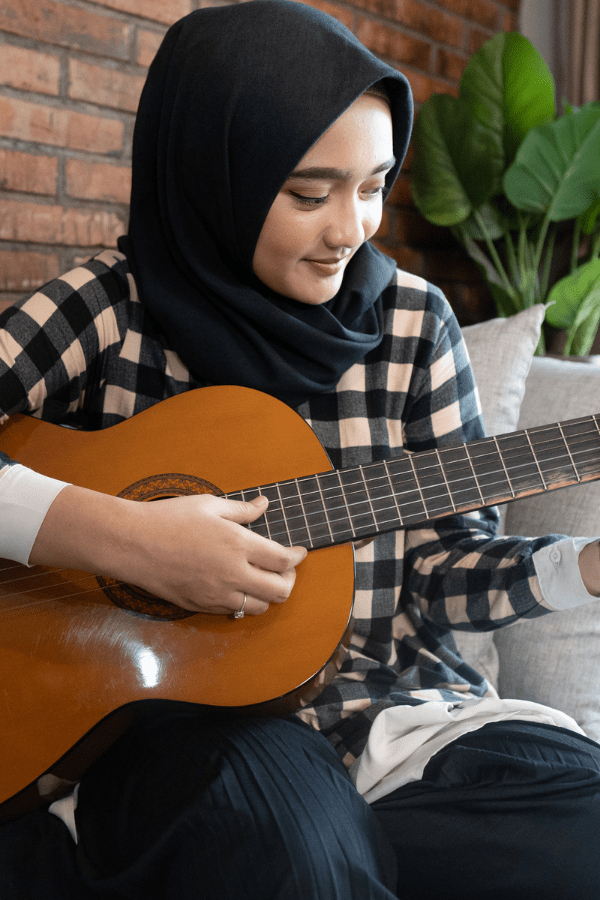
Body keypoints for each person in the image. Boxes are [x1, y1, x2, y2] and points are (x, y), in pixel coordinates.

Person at [0, 2, 600, 897]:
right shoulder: (111, 306)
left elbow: (443, 567)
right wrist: (127, 542)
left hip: (402, 719)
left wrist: (582, 568)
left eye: (373, 185)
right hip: (197, 724)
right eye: (309, 194)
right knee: (297, 851)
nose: (350, 229)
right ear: (216, 174)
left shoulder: (415, 322)